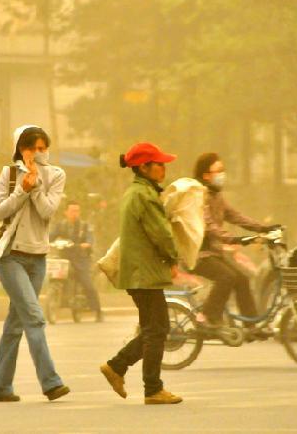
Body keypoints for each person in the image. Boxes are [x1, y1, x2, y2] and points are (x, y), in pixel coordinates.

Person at [0, 125, 70, 403]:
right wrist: (22, 188)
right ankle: (51, 383)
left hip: (38, 258)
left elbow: (47, 211)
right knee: (34, 317)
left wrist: (35, 187)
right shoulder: (9, 174)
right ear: (21, 149)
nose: (38, 153)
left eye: (43, 147)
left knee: (15, 324)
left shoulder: (56, 175)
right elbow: (0, 211)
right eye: (32, 148)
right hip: (10, 257)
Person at [100, 142, 183, 405]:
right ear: (144, 167)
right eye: (159, 164)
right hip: (143, 274)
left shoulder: (136, 192)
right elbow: (162, 234)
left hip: (140, 273)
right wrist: (173, 257)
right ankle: (152, 388)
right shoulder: (145, 196)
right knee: (157, 329)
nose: (164, 168)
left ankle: (117, 366)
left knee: (154, 328)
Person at [192, 153, 280, 331]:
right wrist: (235, 239)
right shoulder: (199, 197)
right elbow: (209, 227)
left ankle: (252, 325)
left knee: (242, 279)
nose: (222, 174)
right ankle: (206, 317)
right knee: (227, 277)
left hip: (214, 253)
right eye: (218, 171)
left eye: (223, 171)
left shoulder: (217, 196)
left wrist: (263, 228)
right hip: (198, 255)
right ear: (206, 175)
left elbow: (235, 216)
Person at [50, 200, 104, 322]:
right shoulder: (60, 225)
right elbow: (51, 236)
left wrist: (87, 244)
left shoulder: (84, 226)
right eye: (72, 210)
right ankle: (59, 298)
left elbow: (90, 238)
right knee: (54, 274)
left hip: (80, 259)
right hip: (64, 257)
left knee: (87, 283)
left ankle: (98, 310)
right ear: (66, 212)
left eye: (77, 210)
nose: (75, 213)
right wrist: (45, 242)